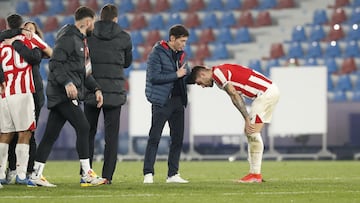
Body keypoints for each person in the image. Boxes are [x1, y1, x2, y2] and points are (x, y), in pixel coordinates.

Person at [27, 6, 105, 187]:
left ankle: (35, 174)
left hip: (65, 93)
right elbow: (54, 63)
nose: (94, 25)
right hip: (62, 94)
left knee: (50, 135)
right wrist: (67, 83)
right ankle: (87, 173)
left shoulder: (81, 41)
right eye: (93, 22)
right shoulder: (69, 38)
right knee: (84, 127)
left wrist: (97, 89)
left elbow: (85, 73)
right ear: (87, 22)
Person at [188, 64, 280, 183]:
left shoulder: (218, 74)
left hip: (266, 93)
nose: (202, 86)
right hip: (270, 91)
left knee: (252, 132)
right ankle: (254, 174)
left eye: (199, 82)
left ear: (202, 74)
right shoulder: (220, 71)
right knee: (251, 132)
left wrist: (247, 118)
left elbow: (234, 95)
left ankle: (255, 175)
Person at [84, 3, 132, 184]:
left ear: (99, 18)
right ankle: (107, 176)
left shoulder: (89, 36)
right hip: (114, 92)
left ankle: (86, 173)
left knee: (87, 134)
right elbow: (127, 63)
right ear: (116, 18)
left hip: (91, 90)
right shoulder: (125, 37)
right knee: (111, 137)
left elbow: (84, 61)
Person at [0, 20, 53, 184]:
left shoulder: (1, 44)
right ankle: (22, 174)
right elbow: (50, 52)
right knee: (26, 133)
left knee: (5, 134)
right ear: (21, 28)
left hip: (4, 93)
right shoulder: (29, 39)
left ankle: (1, 174)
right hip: (23, 93)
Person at [143, 24, 191, 184]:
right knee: (154, 137)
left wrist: (191, 74)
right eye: (182, 41)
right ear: (172, 38)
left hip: (178, 101)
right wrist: (176, 74)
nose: (184, 44)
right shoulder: (156, 53)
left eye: (185, 41)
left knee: (177, 139)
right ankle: (148, 173)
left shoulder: (182, 55)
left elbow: (184, 75)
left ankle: (173, 174)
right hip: (162, 101)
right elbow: (154, 77)